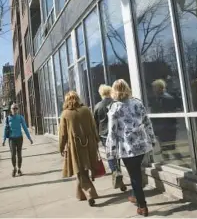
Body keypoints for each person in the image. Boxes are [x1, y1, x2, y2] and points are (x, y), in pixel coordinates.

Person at [106, 79, 155, 217]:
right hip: (141, 145)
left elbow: (112, 131)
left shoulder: (114, 107)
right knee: (136, 174)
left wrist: (111, 151)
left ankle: (142, 206)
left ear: (114, 91)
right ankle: (135, 196)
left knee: (134, 177)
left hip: (127, 148)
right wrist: (152, 139)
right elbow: (147, 122)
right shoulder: (137, 103)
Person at [59, 91, 100, 207]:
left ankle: (90, 194)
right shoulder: (86, 110)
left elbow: (62, 134)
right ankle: (80, 195)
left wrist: (61, 147)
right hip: (89, 144)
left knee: (80, 170)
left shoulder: (65, 114)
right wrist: (96, 140)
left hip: (75, 145)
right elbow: (93, 126)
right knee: (83, 169)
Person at [2, 103, 33, 177]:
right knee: (13, 155)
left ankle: (19, 169)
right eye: (13, 108)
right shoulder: (7, 118)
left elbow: (25, 128)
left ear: (18, 109)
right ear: (11, 109)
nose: (15, 110)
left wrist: (29, 138)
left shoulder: (20, 117)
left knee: (19, 155)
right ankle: (14, 168)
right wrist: (3, 140)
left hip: (19, 138)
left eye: (16, 108)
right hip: (11, 139)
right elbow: (5, 129)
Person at [93, 84, 117, 170]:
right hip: (116, 132)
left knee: (110, 153)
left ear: (101, 93)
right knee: (118, 152)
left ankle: (115, 171)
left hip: (104, 134)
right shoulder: (116, 103)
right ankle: (118, 169)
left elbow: (95, 123)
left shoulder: (98, 106)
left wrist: (96, 137)